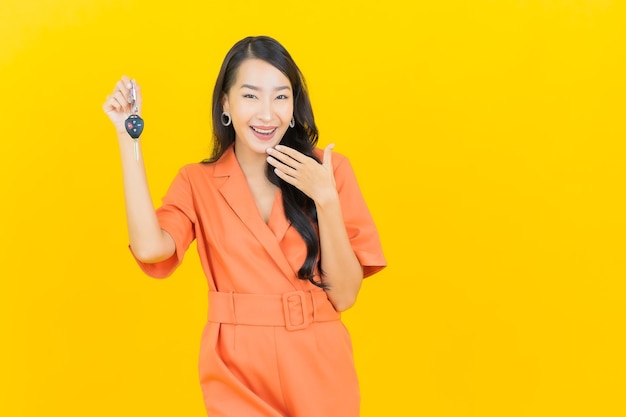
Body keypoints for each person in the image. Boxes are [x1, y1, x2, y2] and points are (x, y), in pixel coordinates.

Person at [102, 35, 386, 417]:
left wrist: (327, 199)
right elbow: (152, 248)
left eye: (281, 96)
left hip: (319, 363)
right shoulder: (196, 182)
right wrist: (127, 138)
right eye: (251, 96)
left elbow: (345, 296)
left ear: (294, 103)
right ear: (226, 103)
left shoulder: (329, 171)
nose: (267, 114)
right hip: (236, 367)